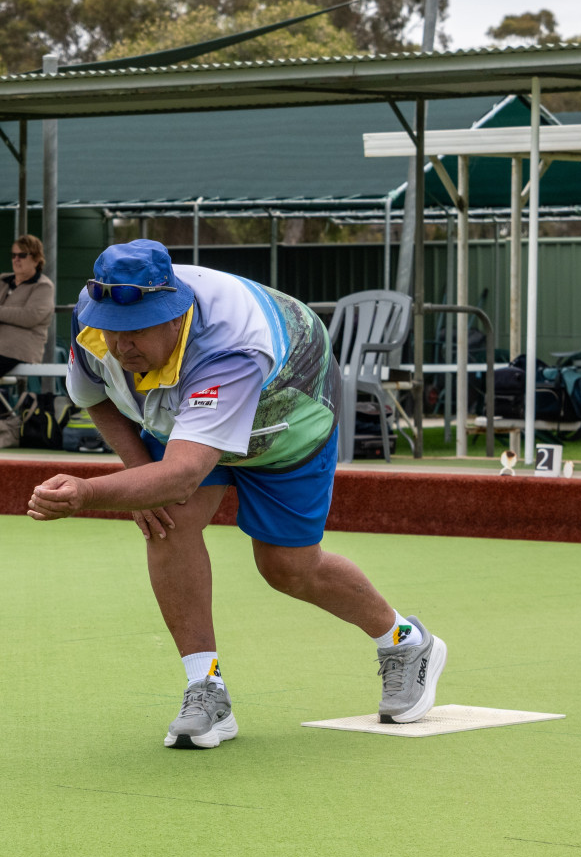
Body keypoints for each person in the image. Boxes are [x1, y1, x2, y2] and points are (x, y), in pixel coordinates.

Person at [26, 239, 446, 748]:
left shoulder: (232, 348)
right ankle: (206, 689)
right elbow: (95, 396)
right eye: (113, 331)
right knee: (168, 523)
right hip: (184, 409)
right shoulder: (96, 321)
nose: (120, 346)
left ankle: (404, 641)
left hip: (287, 415)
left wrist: (87, 493)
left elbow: (181, 475)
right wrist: (139, 479)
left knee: (288, 568)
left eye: (136, 332)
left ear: (176, 316)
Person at [0, 234, 55, 399]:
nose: (16, 259)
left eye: (22, 255)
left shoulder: (43, 287)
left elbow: (30, 317)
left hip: (16, 349)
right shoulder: (3, 280)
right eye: (13, 255)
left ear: (37, 259)